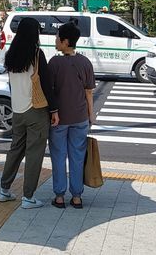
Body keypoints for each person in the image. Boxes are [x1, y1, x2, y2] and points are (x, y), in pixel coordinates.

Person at [0, 18, 59, 209]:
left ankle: (4, 190)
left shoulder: (10, 54)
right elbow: (46, 84)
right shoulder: (36, 54)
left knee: (15, 150)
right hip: (36, 110)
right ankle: (28, 197)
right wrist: (54, 110)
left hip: (17, 110)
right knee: (34, 153)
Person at [48, 22, 96, 210]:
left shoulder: (54, 63)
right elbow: (89, 92)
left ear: (65, 41)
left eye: (58, 36)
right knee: (77, 156)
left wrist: (53, 112)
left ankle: (59, 196)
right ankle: (77, 197)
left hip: (58, 119)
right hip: (80, 118)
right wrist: (91, 116)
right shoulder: (85, 62)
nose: (55, 40)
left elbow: (49, 92)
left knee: (58, 156)